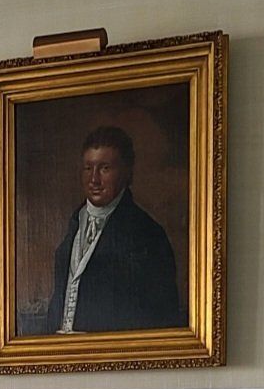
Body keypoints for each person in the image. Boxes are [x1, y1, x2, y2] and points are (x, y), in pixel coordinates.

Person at [44, 126, 181, 334]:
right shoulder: (74, 224)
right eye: (88, 168)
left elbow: (160, 316)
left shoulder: (148, 234)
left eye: (105, 168)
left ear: (126, 172)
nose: (94, 180)